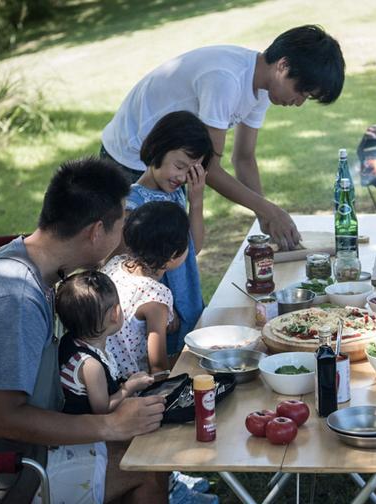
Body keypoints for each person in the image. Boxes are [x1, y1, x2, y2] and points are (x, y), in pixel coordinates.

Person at [0, 158, 166, 504]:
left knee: (145, 440)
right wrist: (110, 426)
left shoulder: (33, 263)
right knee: (150, 467)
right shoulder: (19, 299)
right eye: (122, 225)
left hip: (41, 440)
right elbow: (2, 417)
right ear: (96, 231)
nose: (125, 238)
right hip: (17, 467)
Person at [101, 24, 345, 251]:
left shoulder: (261, 87)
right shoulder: (226, 80)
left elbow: (244, 158)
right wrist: (269, 210)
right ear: (282, 66)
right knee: (130, 255)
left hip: (171, 161)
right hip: (130, 157)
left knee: (169, 253)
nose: (299, 102)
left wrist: (264, 216)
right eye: (301, 92)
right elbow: (208, 168)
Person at [122, 111, 213, 355]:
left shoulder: (177, 193)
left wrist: (196, 202)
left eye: (192, 170)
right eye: (180, 166)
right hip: (160, 315)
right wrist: (164, 308)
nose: (182, 177)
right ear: (157, 149)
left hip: (188, 302)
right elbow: (132, 269)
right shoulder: (133, 205)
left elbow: (194, 246)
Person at [103, 201, 189, 379]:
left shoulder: (115, 263)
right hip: (132, 387)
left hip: (102, 377)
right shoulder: (156, 298)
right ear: (173, 254)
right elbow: (158, 367)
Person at [56, 270, 154, 415]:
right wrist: (129, 387)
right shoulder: (90, 365)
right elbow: (102, 409)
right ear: (116, 313)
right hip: (89, 434)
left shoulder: (71, 340)